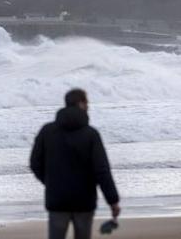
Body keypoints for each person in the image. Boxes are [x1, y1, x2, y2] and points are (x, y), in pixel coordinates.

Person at [30, 89, 120, 239]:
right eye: (87, 102)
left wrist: (50, 182)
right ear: (81, 104)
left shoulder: (47, 131)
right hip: (84, 201)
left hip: (57, 200)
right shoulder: (91, 134)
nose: (88, 106)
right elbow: (102, 170)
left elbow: (35, 163)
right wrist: (113, 201)